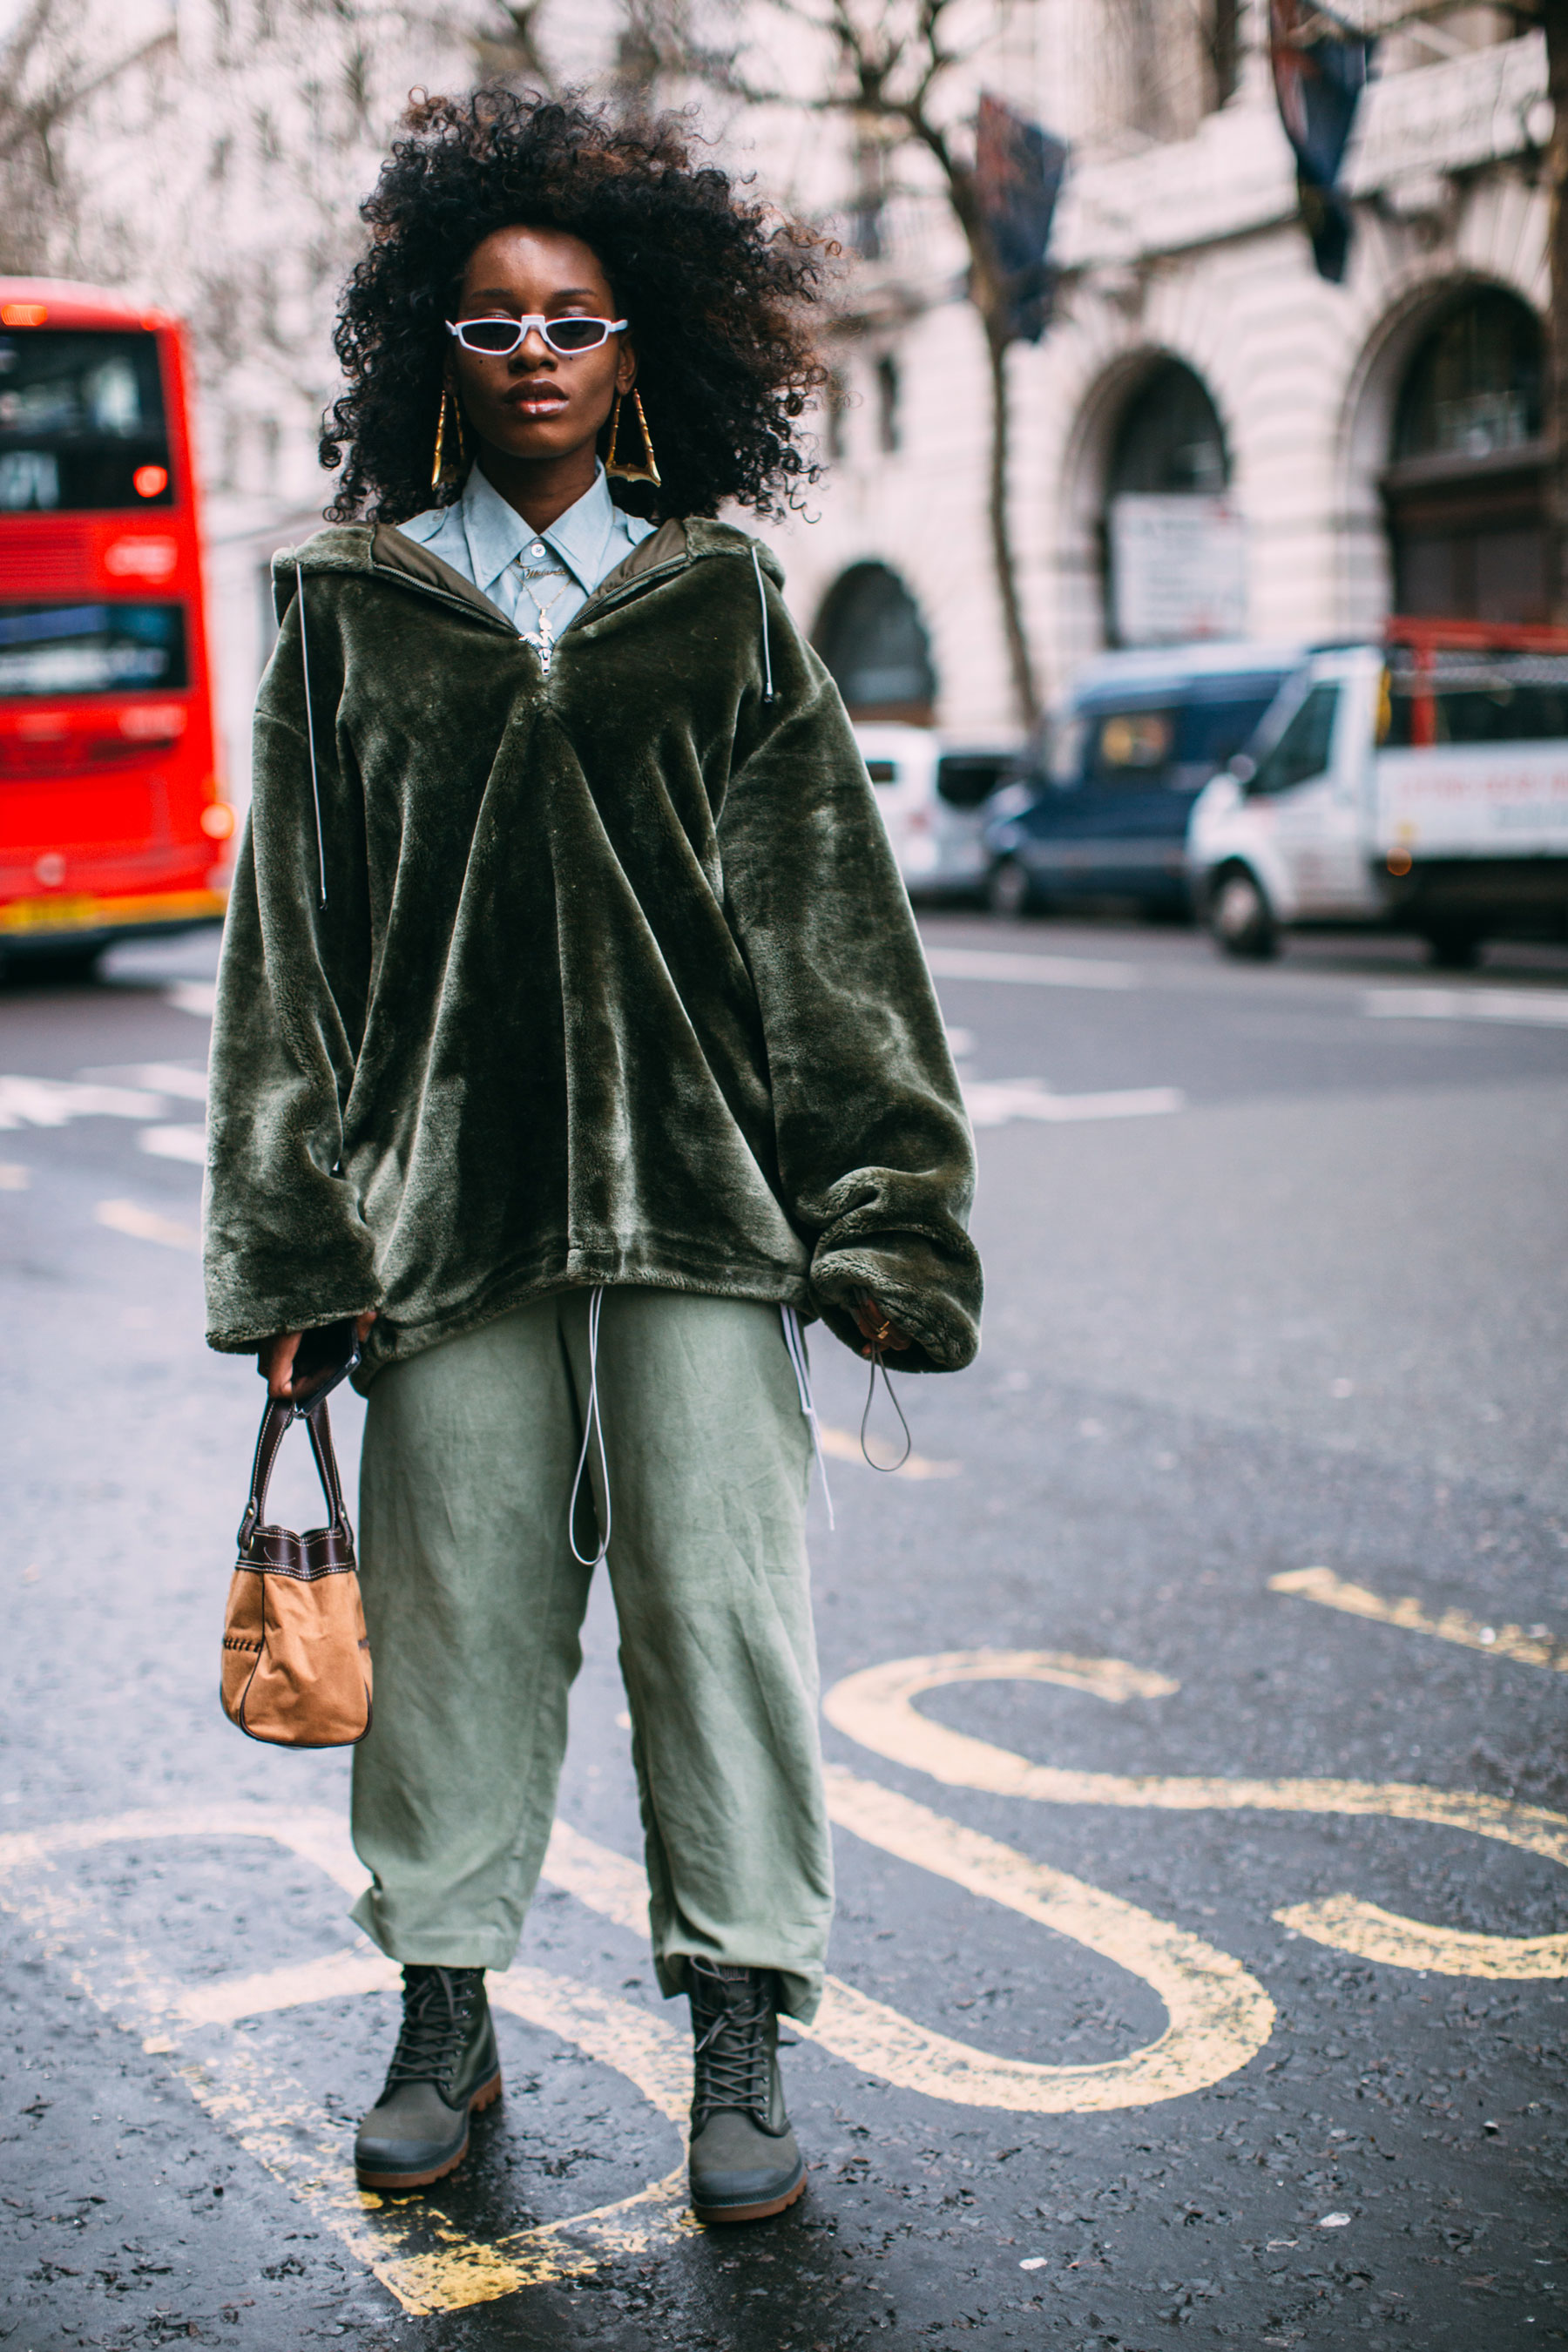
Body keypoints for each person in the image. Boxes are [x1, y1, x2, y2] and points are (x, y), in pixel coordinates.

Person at [202, 88, 981, 2227]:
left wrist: (887, 1209)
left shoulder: (721, 606)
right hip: (439, 1231)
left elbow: (833, 941)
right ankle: (442, 2023)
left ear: (642, 355)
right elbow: (294, 960)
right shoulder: (344, 613)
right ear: (426, 354)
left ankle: (741, 2038)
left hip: (703, 1224)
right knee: (448, 1636)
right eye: (489, 320)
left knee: (719, 1622)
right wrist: (291, 1260)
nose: (533, 349)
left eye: (574, 317)